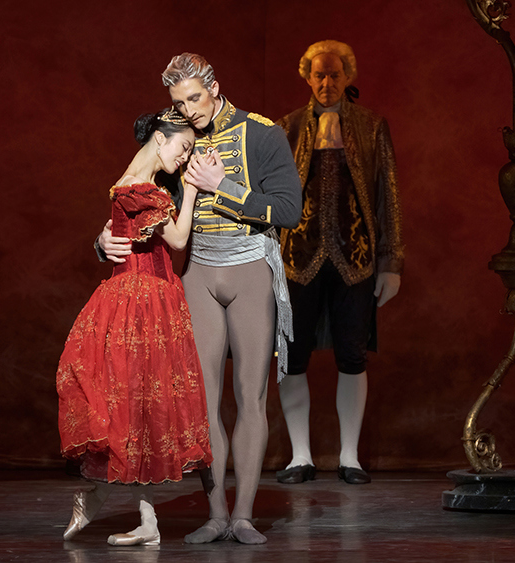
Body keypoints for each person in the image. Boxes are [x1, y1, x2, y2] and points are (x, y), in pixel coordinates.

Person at [98, 53, 302, 545]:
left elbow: (290, 210)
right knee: (201, 402)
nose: (189, 109)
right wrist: (103, 239)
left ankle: (244, 514)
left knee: (250, 396)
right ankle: (214, 514)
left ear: (214, 85)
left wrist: (223, 186)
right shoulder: (174, 138)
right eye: (179, 102)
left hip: (251, 267)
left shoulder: (261, 133)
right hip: (199, 274)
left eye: (194, 97)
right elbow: (136, 195)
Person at [57, 108, 213, 547]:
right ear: (161, 139)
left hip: (145, 297)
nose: (184, 160)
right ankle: (100, 494)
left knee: (142, 406)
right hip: (142, 300)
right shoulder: (141, 189)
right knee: (129, 403)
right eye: (183, 149)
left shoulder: (132, 184)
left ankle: (143, 519)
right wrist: (196, 188)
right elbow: (179, 240)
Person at [274, 40, 404, 486]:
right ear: (306, 77)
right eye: (318, 75)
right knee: (291, 357)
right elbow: (270, 200)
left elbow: (388, 197)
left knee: (353, 355)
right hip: (295, 259)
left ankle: (350, 456)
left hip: (357, 258)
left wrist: (391, 262)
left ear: (347, 76)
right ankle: (300, 456)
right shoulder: (286, 129)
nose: (326, 83)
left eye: (334, 75)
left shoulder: (371, 127)